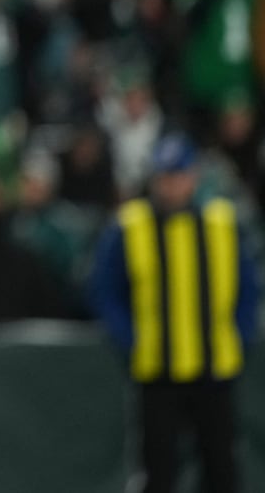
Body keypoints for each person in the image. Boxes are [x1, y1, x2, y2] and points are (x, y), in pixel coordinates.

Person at [88, 133, 258, 493]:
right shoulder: (130, 225)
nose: (173, 186)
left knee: (221, 467)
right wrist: (132, 340)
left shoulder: (221, 222)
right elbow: (104, 291)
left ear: (194, 176)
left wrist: (238, 336)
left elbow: (248, 288)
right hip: (157, 371)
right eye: (165, 177)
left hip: (214, 369)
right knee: (159, 470)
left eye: (179, 176)